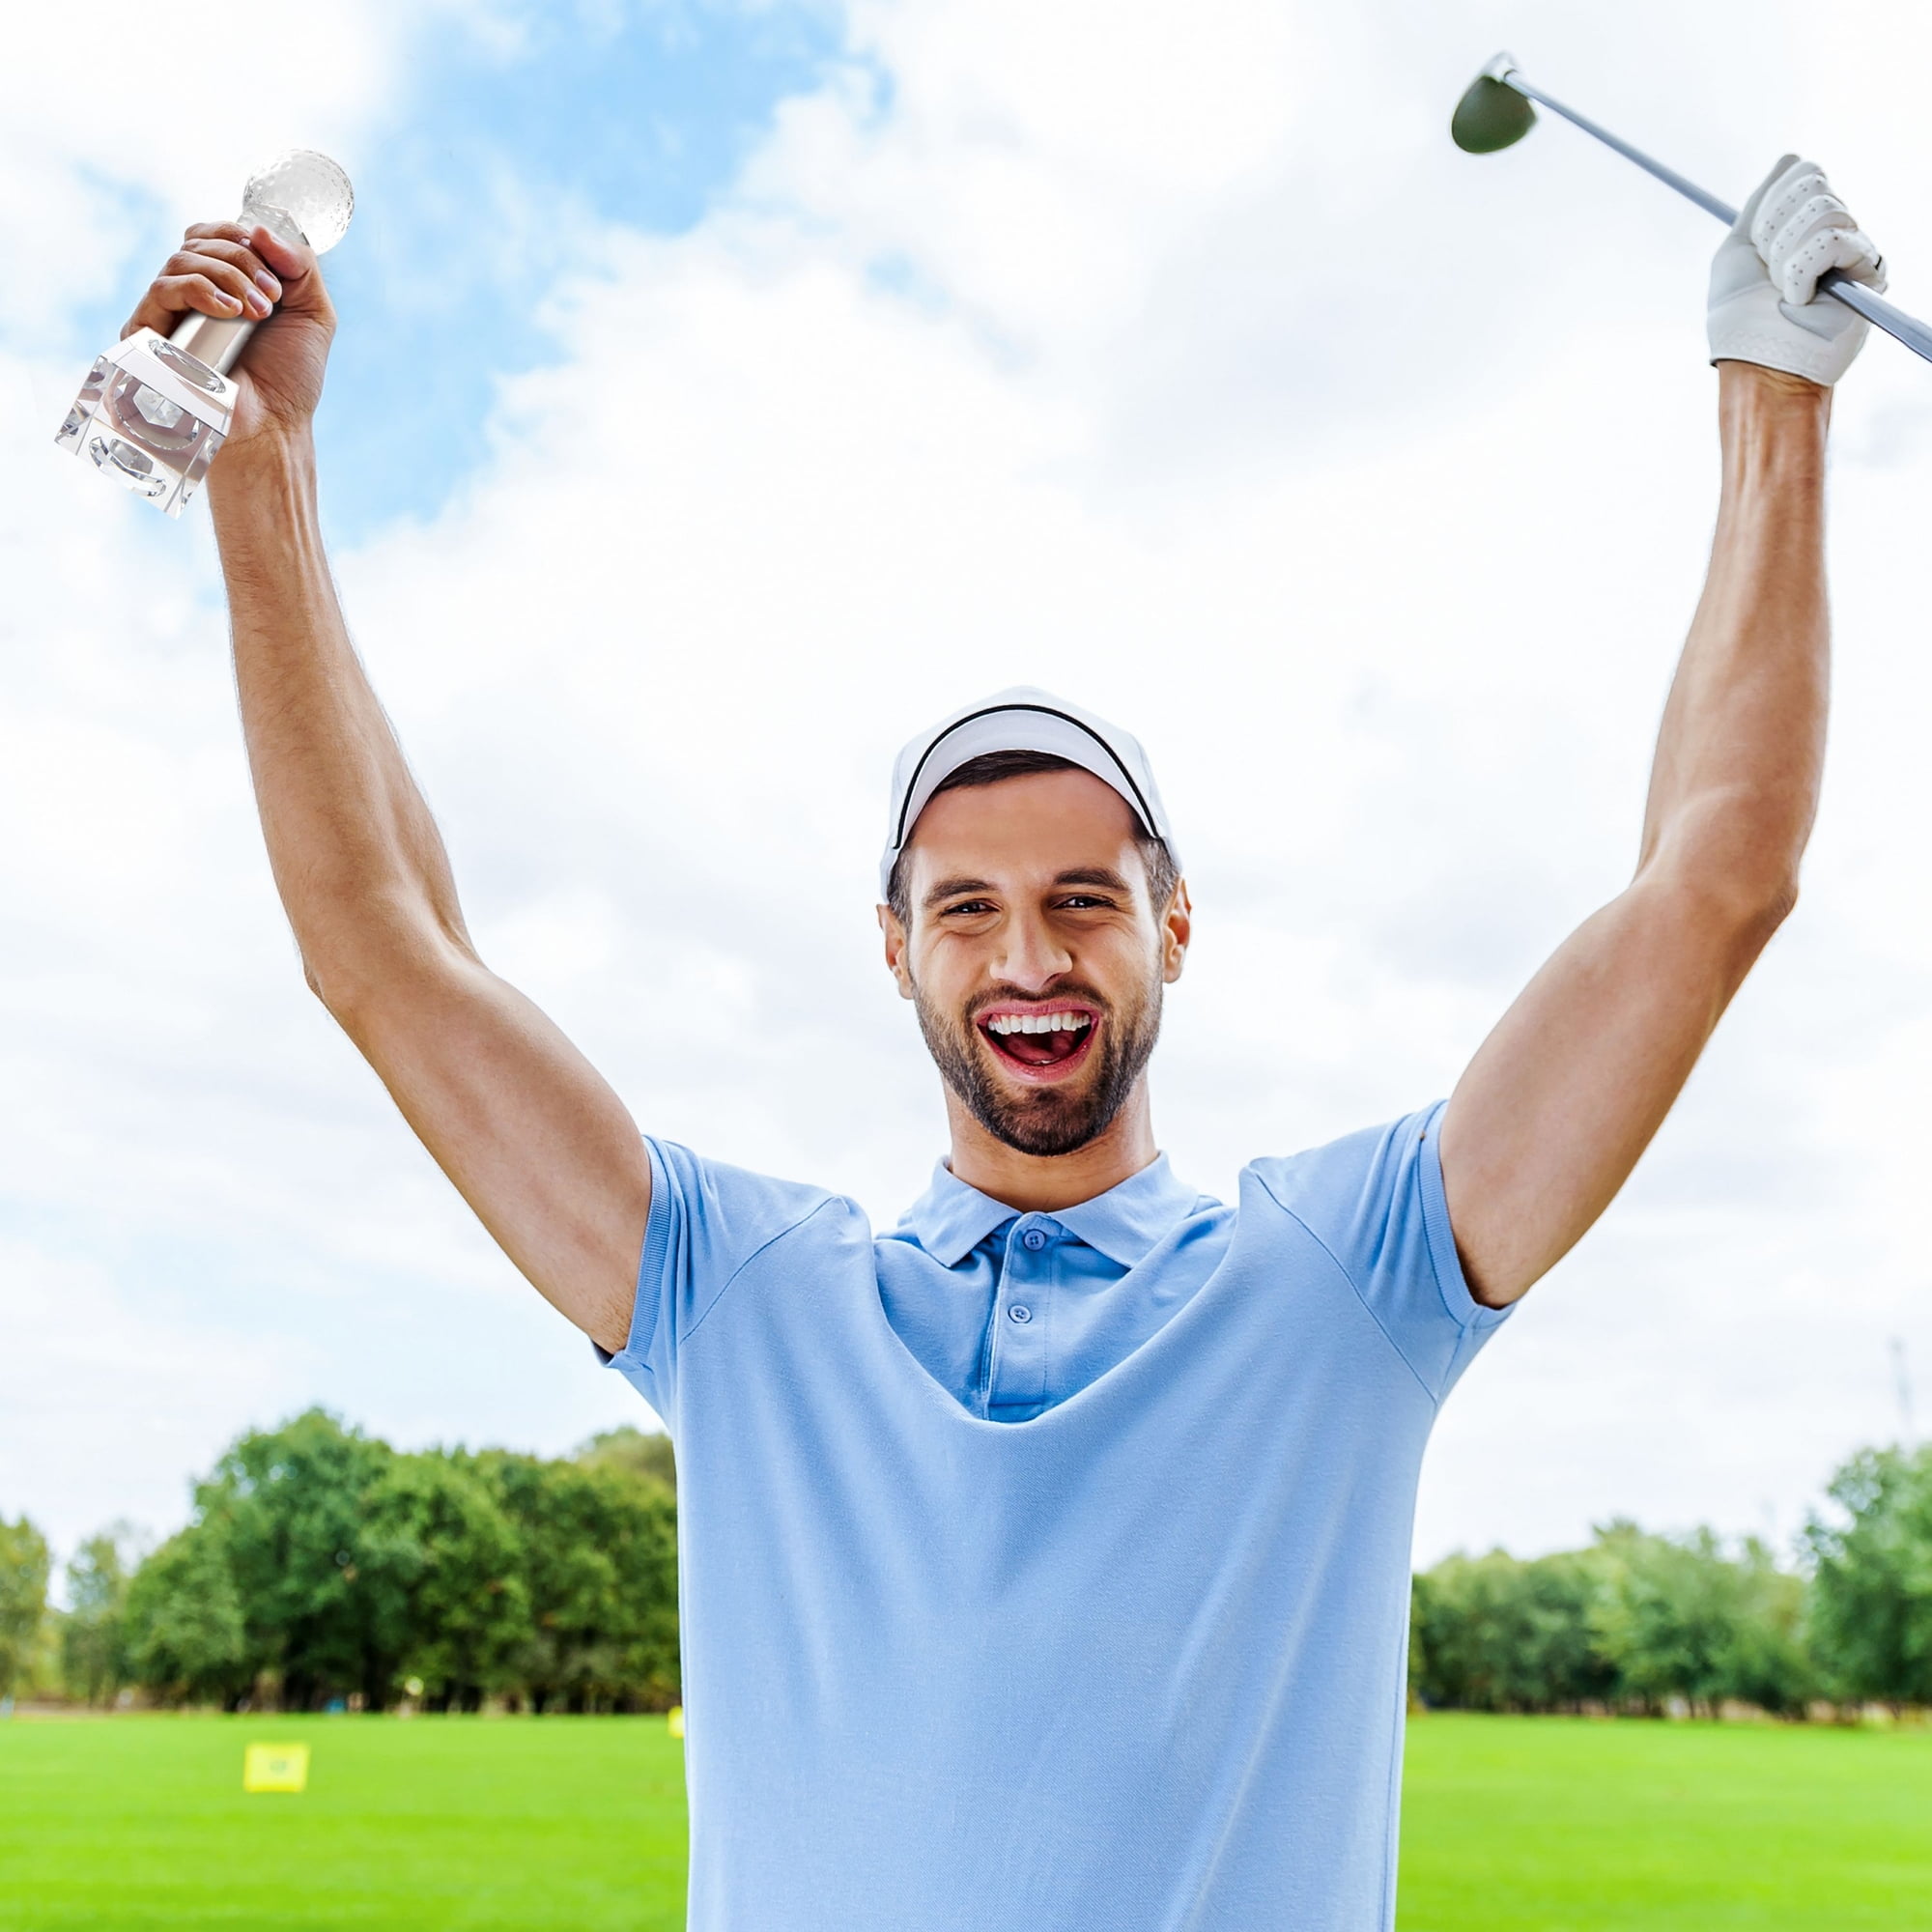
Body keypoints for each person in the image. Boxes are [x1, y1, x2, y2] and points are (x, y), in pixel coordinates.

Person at [128, 153, 1881, 1929]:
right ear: (893, 950)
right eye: (964, 908)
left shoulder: (1350, 1277)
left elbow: (1712, 884)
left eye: (1083, 900)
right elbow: (384, 952)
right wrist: (261, 476)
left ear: (1172, 928)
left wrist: (1772, 403)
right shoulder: (746, 1301)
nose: (1025, 955)